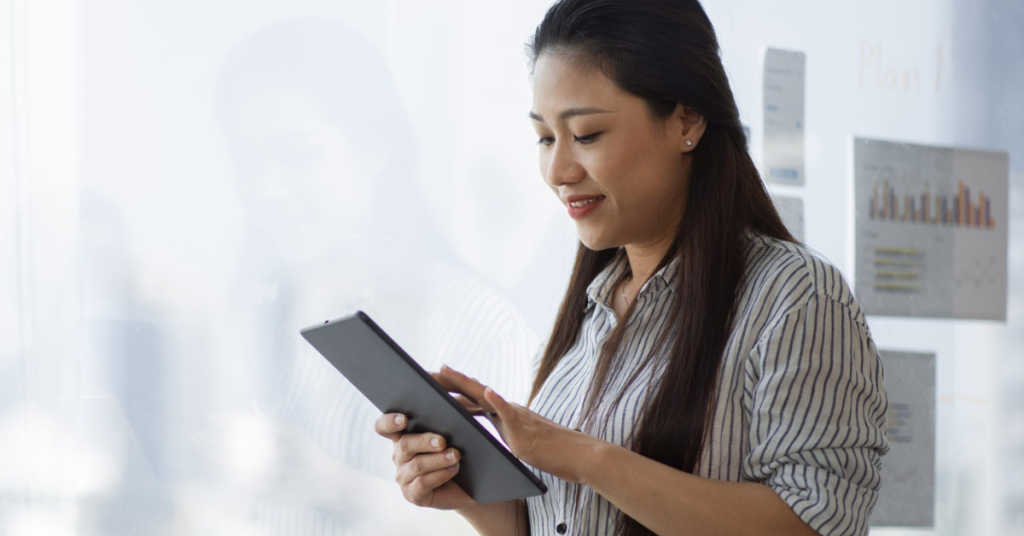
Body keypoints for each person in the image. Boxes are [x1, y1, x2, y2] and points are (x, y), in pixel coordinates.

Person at [374, 1, 889, 535]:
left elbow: (815, 525)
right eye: (546, 138)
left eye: (587, 135)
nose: (558, 170)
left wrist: (585, 457)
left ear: (686, 120)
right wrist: (468, 491)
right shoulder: (593, 305)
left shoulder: (797, 297)